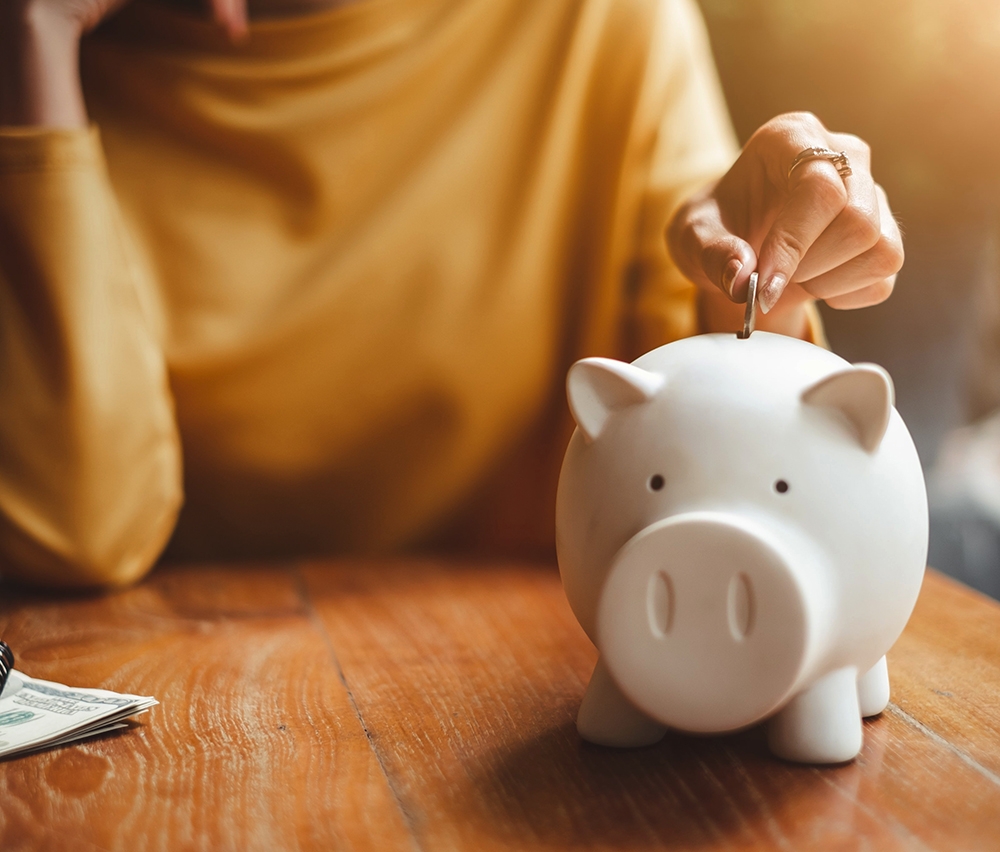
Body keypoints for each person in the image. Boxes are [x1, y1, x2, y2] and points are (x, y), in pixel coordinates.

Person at [0, 0, 903, 588]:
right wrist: (32, 39)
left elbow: (724, 474)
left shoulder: (595, 23)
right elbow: (75, 531)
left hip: (527, 697)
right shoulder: (50, 73)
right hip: (184, 713)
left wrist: (767, 291)